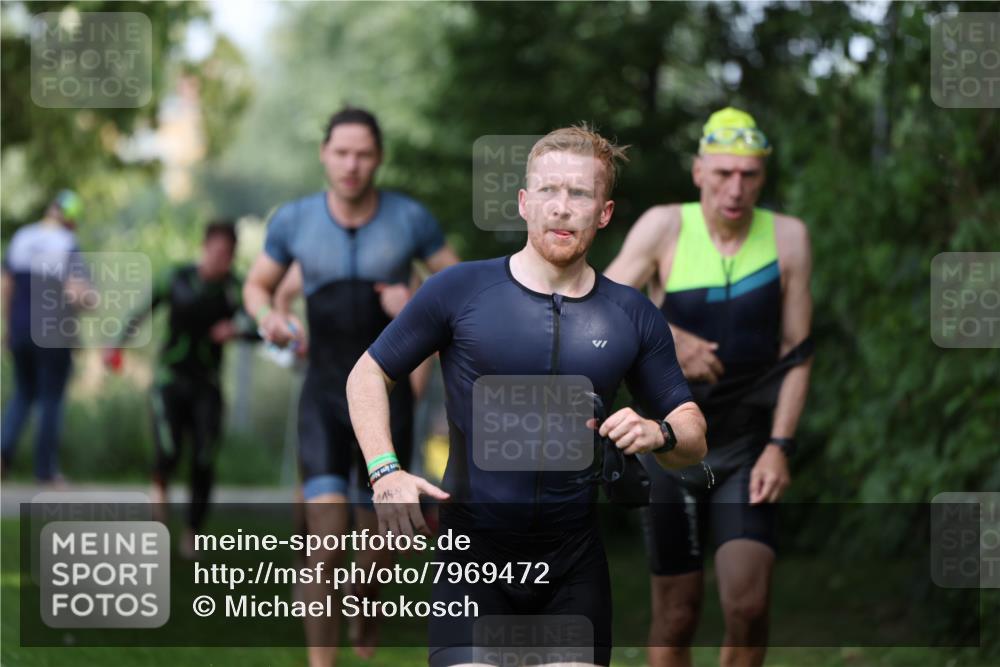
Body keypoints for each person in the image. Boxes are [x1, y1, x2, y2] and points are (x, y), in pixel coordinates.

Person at [346, 125, 708, 667]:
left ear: (604, 213)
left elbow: (695, 437)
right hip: (473, 562)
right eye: (548, 191)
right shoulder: (460, 290)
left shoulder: (630, 313)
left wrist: (660, 433)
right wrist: (384, 470)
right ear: (523, 202)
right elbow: (367, 374)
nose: (562, 208)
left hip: (573, 567)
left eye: (580, 194)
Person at [242, 106, 459, 667]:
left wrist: (413, 305)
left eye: (363, 154)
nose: (352, 165)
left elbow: (459, 287)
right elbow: (258, 286)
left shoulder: (410, 219)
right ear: (324, 153)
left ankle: (365, 601)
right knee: (326, 540)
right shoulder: (294, 221)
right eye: (341, 152)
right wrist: (269, 315)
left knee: (382, 548)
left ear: (378, 157)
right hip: (323, 398)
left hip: (387, 405)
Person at [604, 107, 814, 667]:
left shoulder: (789, 238)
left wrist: (780, 445)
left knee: (747, 605)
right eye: (723, 173)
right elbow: (602, 305)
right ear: (699, 172)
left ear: (763, 177)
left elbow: (798, 353)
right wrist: (673, 336)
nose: (735, 188)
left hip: (747, 448)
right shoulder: (665, 226)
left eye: (748, 174)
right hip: (669, 444)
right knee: (677, 614)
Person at [104, 221, 257, 556]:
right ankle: (158, 517)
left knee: (204, 457)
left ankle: (192, 533)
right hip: (169, 381)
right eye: (217, 252)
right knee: (168, 452)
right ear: (204, 248)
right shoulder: (176, 278)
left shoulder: (236, 289)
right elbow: (141, 311)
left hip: (208, 385)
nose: (221, 260)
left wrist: (237, 329)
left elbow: (260, 327)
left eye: (228, 255)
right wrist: (114, 345)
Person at [1, 190, 88, 484]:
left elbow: (5, 287)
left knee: (23, 394)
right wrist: (90, 299)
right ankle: (46, 470)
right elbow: (75, 293)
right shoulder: (67, 244)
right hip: (53, 335)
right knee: (51, 398)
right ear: (71, 219)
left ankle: (2, 455)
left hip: (22, 331)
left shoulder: (22, 238)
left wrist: (8, 327)